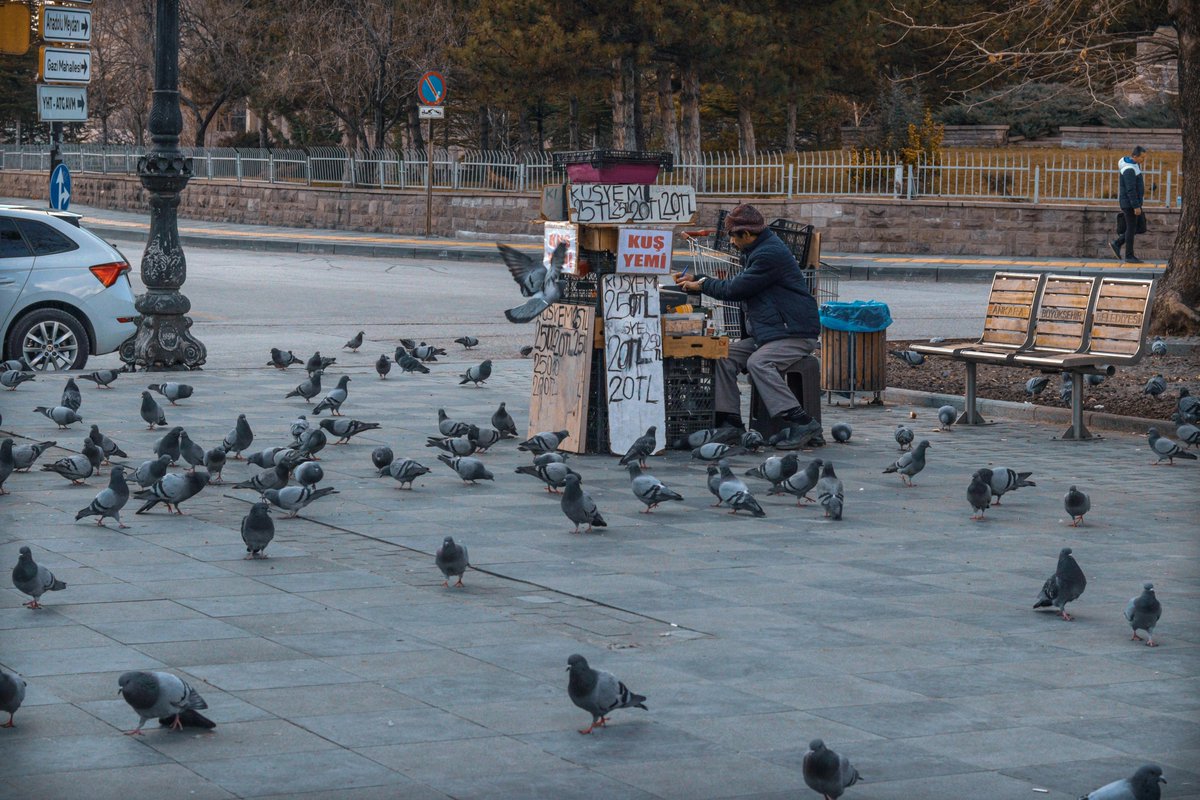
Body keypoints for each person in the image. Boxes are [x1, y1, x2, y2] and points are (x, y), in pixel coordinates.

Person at [672, 203, 823, 446]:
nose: (731, 243)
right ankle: (730, 423)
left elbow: (736, 289)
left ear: (747, 234)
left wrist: (701, 285)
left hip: (793, 333)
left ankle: (803, 423)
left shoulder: (768, 254)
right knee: (723, 355)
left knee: (758, 362)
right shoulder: (756, 250)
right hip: (770, 334)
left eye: (733, 237)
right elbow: (740, 283)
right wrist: (700, 279)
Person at [1110, 145, 1147, 264]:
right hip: (1130, 203)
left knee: (1140, 226)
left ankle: (1118, 243)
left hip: (1133, 202)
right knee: (1131, 228)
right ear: (1134, 156)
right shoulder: (1129, 170)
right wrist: (1136, 206)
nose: (1143, 160)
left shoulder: (1134, 164)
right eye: (1142, 157)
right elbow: (1130, 189)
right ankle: (1129, 256)